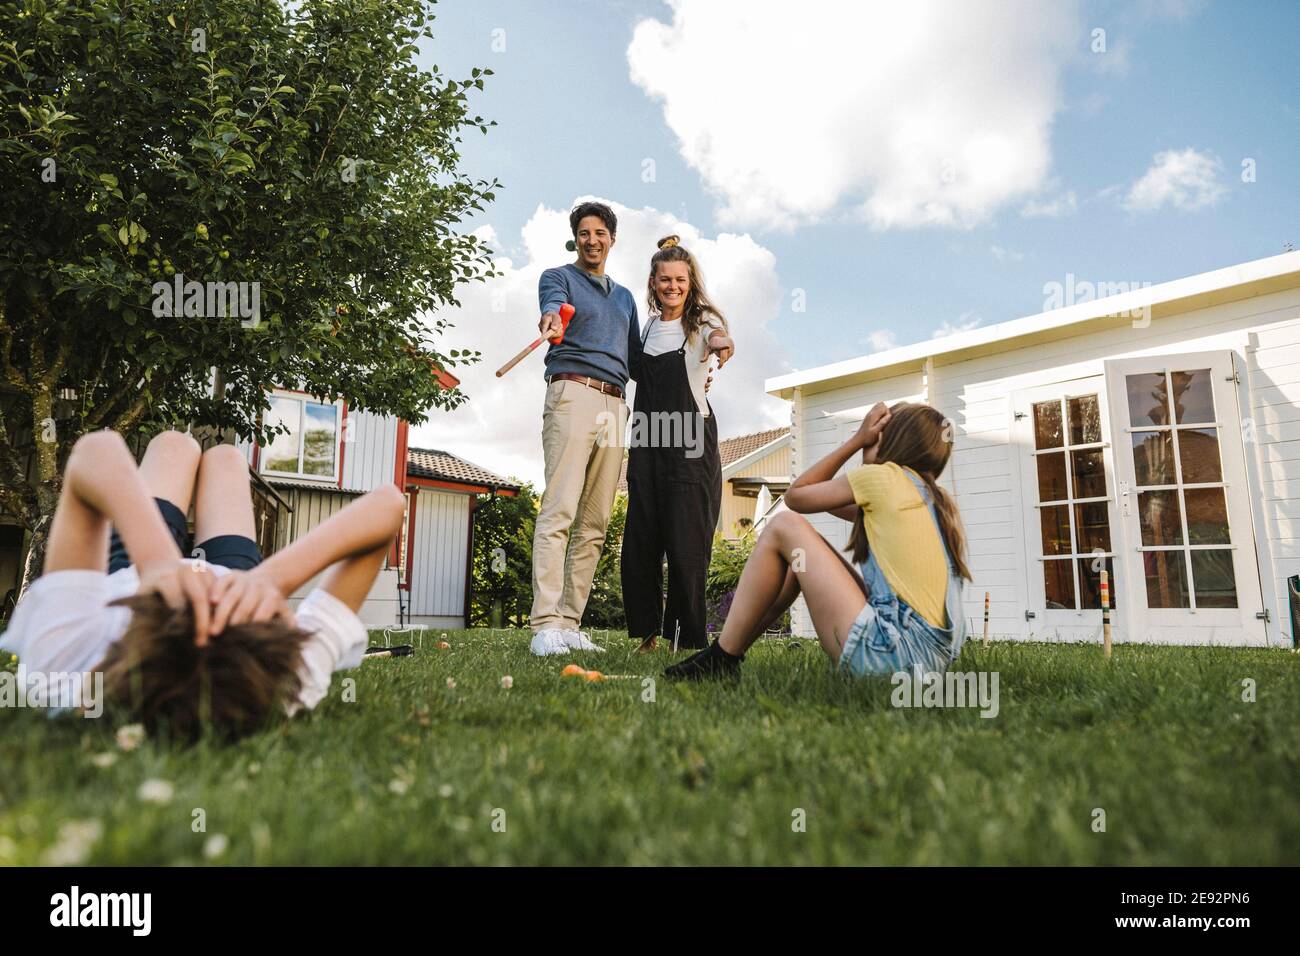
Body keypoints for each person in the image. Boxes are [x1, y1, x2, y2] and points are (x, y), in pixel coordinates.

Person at [0, 428, 407, 740]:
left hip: (134, 579)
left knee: (174, 445)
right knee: (227, 459)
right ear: (270, 633)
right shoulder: (287, 680)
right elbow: (389, 505)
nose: (204, 592)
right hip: (241, 580)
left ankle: (164, 547)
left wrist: (157, 562)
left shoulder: (70, 664)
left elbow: (95, 451)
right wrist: (270, 580)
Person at [663, 402, 971, 681]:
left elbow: (797, 497)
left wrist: (856, 443)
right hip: (925, 665)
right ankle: (725, 657)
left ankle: (721, 657)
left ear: (890, 438)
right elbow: (824, 500)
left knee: (784, 524)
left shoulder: (885, 479)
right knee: (798, 561)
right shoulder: (934, 500)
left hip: (892, 656)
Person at [528, 201, 642, 656]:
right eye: (584, 232)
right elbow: (551, 307)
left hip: (615, 405)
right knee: (559, 510)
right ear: (575, 237)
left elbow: (637, 361)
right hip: (572, 393)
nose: (592, 240)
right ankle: (545, 625)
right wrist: (552, 319)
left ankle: (570, 625)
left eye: (601, 233)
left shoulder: (626, 297)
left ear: (612, 239)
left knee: (595, 522)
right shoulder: (559, 278)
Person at [621, 235, 735, 653]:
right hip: (648, 438)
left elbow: (719, 336)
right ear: (653, 282)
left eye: (680, 280)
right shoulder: (648, 328)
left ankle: (687, 639)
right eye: (665, 279)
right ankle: (648, 636)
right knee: (642, 536)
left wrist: (722, 346)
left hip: (688, 441)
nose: (672, 286)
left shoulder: (701, 322)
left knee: (687, 539)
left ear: (691, 282)